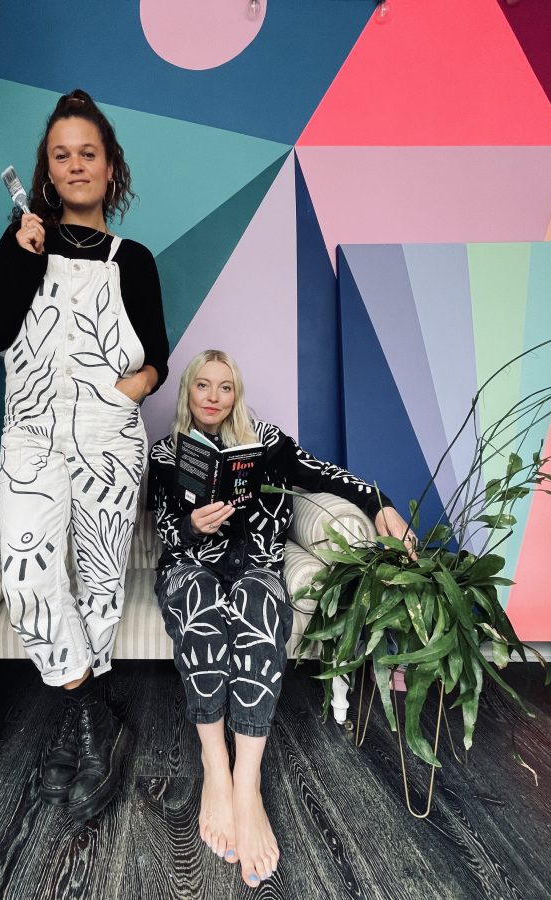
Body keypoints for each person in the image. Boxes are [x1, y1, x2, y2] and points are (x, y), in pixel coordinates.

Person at [0, 89, 169, 823]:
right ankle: (96, 716)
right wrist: (21, 259)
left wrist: (140, 383)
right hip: (31, 436)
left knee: (97, 585)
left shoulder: (134, 259)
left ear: (110, 167)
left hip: (110, 440)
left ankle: (81, 732)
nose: (76, 165)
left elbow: (159, 356)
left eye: (89, 152)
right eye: (62, 155)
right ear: (46, 173)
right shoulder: (23, 239)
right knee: (27, 575)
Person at [149, 350, 414, 888]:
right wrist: (194, 525)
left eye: (225, 387)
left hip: (256, 568)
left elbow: (327, 476)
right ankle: (215, 771)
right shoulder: (165, 451)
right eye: (203, 385)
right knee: (199, 602)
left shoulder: (268, 444)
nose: (213, 397)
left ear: (236, 393)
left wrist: (382, 504)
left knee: (259, 606)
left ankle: (246, 784)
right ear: (188, 392)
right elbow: (162, 526)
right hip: (189, 566)